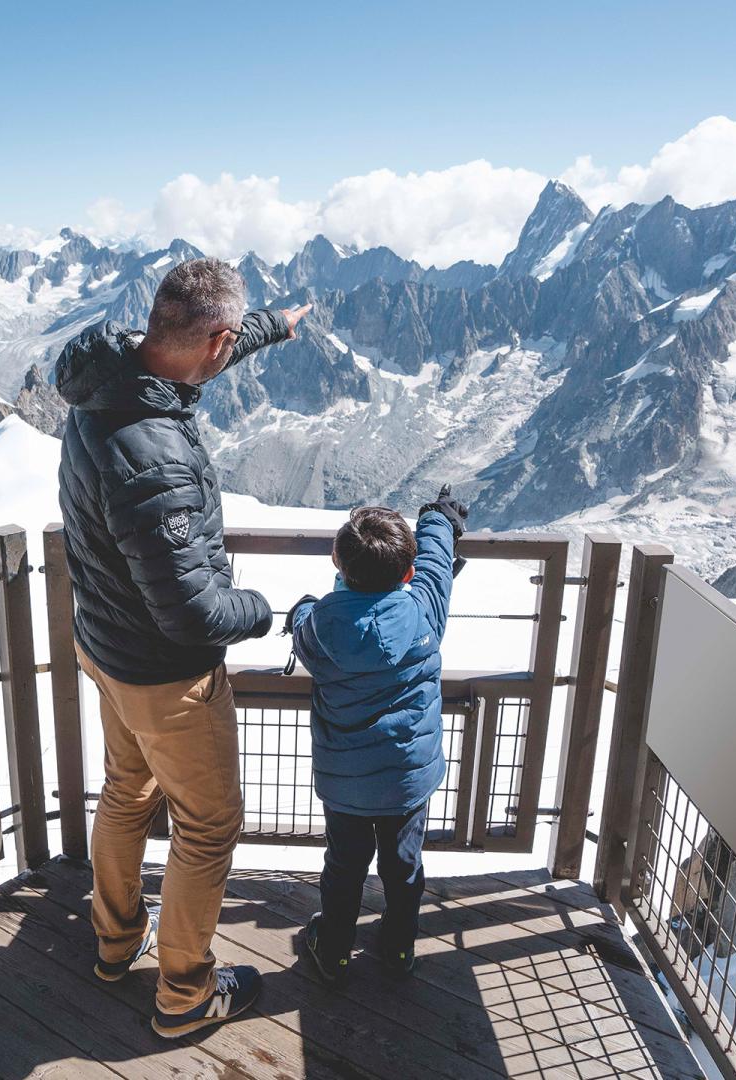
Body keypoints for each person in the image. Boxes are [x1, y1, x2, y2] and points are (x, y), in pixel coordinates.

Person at [53, 257, 310, 1037]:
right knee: (205, 828)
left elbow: (201, 344)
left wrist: (272, 328)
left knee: (125, 791)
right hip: (166, 678)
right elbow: (194, 614)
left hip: (102, 644)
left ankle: (113, 940)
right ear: (215, 341)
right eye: (233, 341)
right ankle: (185, 995)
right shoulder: (151, 453)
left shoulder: (111, 373)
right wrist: (265, 610)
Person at [284, 487, 467, 986]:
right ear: (406, 576)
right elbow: (433, 563)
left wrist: (302, 607)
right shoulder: (424, 611)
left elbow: (303, 623)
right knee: (404, 865)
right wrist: (438, 518)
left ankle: (336, 950)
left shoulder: (321, 625)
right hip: (408, 781)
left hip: (346, 784)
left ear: (339, 567)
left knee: (344, 867)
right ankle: (399, 947)